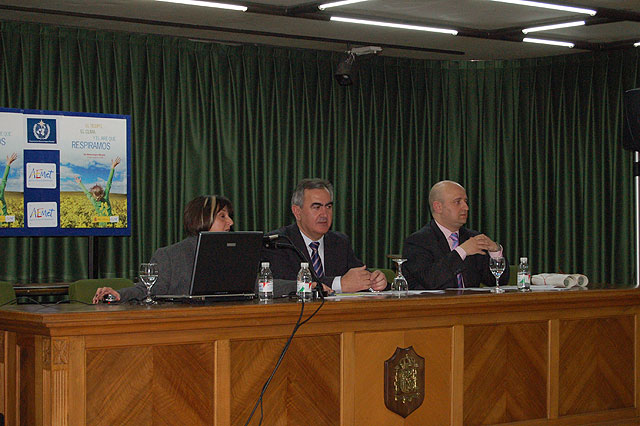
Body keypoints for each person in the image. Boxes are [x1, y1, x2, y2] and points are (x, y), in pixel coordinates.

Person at [92, 195, 234, 303]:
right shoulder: (169, 256)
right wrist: (119, 295)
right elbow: (146, 291)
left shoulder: (237, 253)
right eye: (222, 216)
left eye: (229, 216)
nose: (230, 222)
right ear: (202, 218)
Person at [262, 178, 387, 294]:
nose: (324, 214)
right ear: (297, 212)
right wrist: (339, 284)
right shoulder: (278, 242)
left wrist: (376, 281)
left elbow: (359, 275)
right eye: (316, 207)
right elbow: (281, 285)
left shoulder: (340, 242)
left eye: (328, 207)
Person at [402, 180, 509, 290]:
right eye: (458, 202)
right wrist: (462, 251)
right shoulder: (418, 241)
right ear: (438, 207)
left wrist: (495, 251)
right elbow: (430, 280)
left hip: (472, 305)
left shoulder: (472, 238)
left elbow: (497, 282)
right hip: (435, 305)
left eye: (465, 201)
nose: (466, 207)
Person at [75, 156, 120, 226]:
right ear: (102, 192)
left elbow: (86, 193)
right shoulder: (105, 196)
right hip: (111, 223)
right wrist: (112, 167)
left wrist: (80, 183)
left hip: (102, 224)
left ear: (93, 194)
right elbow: (109, 183)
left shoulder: (93, 200)